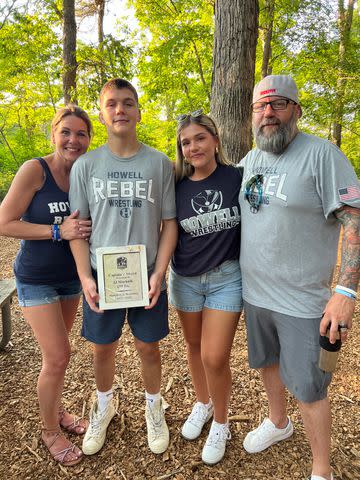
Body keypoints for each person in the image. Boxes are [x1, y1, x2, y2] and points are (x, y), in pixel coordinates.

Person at [239, 75, 360, 480]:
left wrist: (345, 291)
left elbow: (355, 217)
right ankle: (277, 422)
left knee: (309, 388)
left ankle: (321, 470)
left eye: (278, 104)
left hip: (304, 301)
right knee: (267, 363)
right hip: (255, 295)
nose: (268, 113)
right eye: (261, 106)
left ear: (297, 110)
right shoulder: (251, 159)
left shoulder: (322, 155)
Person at [68, 78, 177, 457]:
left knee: (149, 346)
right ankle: (105, 404)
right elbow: (78, 229)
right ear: (102, 113)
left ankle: (153, 406)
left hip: (146, 273)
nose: (120, 110)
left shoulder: (159, 163)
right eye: (112, 104)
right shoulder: (86, 165)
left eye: (128, 103)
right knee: (103, 348)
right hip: (103, 275)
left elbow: (170, 224)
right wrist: (85, 277)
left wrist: (160, 272)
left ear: (139, 112)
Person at [0, 105, 93, 466]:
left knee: (59, 356)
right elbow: (5, 222)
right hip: (36, 278)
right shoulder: (34, 171)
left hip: (71, 278)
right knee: (58, 356)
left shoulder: (85, 173)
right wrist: (57, 230)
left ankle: (56, 412)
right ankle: (49, 431)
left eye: (81, 133)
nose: (73, 140)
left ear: (89, 139)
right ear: (53, 134)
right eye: (66, 132)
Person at [169, 111, 243, 465]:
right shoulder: (177, 186)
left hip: (226, 278)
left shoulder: (238, 178)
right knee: (195, 346)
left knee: (215, 356)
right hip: (185, 279)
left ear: (215, 140)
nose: (193, 146)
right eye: (186, 142)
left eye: (199, 138)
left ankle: (222, 423)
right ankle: (203, 402)